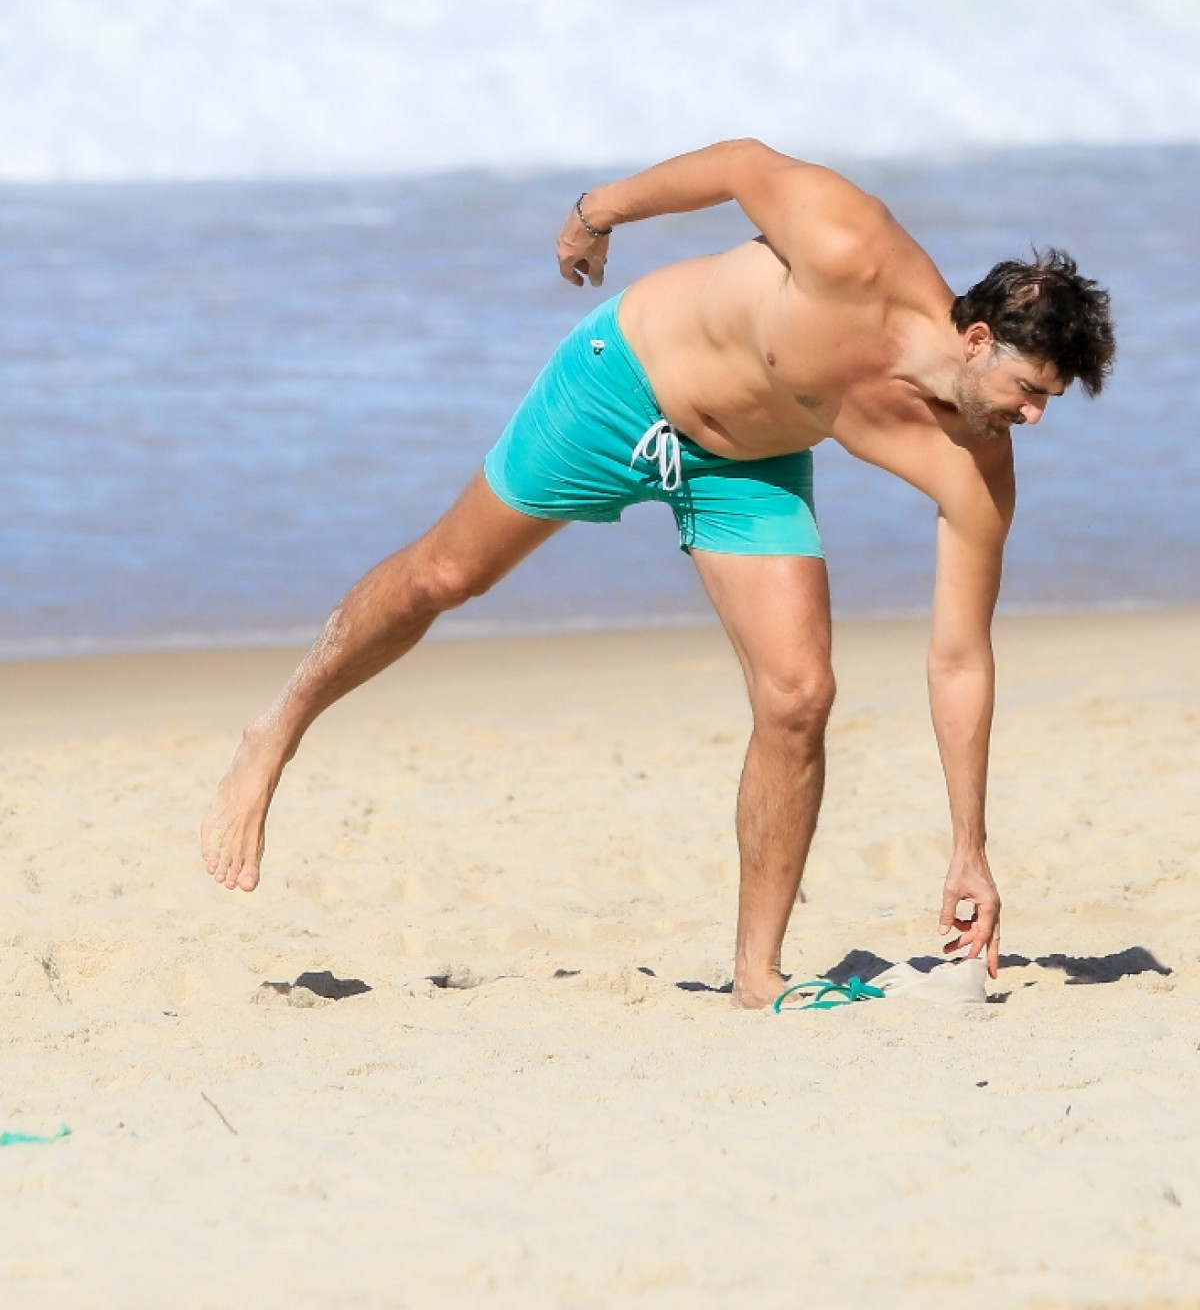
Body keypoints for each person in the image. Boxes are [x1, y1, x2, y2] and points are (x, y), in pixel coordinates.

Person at [201, 140, 1115, 1008]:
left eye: (1049, 401)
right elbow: (739, 165)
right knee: (446, 574)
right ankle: (276, 731)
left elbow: (959, 660)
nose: (1034, 418)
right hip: (625, 383)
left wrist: (970, 850)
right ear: (977, 338)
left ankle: (756, 975)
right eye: (1029, 391)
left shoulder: (975, 464)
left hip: (742, 469)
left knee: (799, 696)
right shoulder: (850, 246)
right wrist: (597, 212)